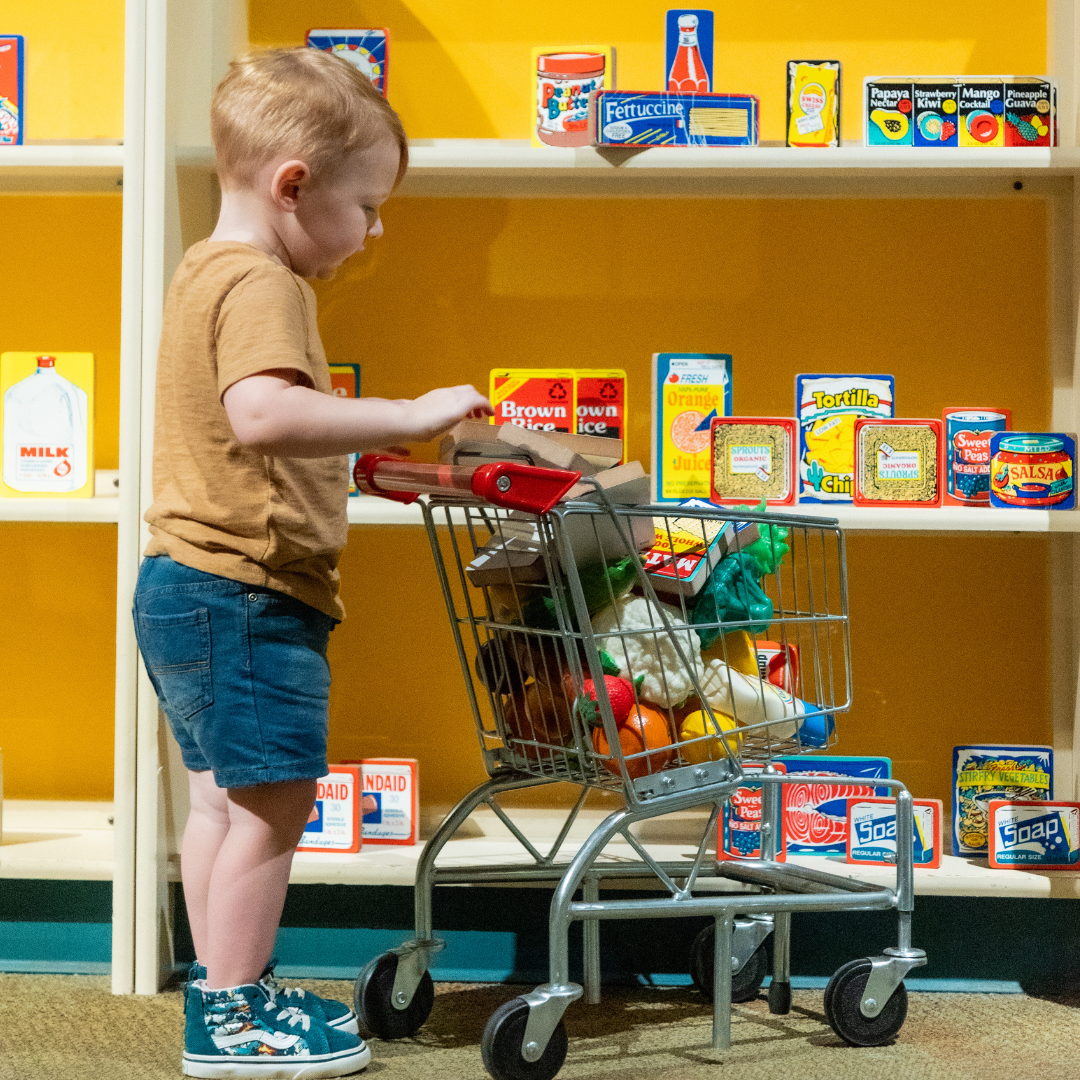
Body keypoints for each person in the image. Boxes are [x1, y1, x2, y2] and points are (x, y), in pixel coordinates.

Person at [132, 48, 491, 1079]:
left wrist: (378, 462)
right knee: (276, 805)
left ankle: (224, 992)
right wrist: (412, 410)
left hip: (183, 585)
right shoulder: (263, 283)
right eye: (368, 204)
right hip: (245, 591)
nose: (376, 228)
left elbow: (243, 438)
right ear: (294, 185)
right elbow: (263, 414)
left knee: (220, 804)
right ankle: (237, 1021)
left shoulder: (205, 269)